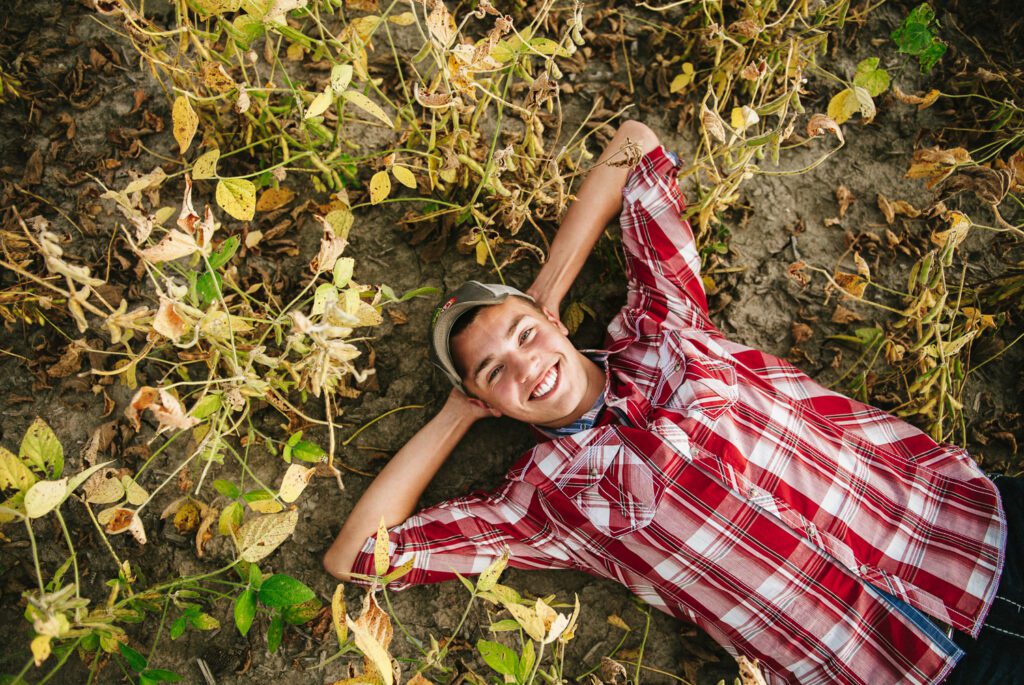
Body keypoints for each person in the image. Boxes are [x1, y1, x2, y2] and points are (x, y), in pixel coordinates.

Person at [323, 121, 1020, 683]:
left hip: (969, 528)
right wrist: (456, 414)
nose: (527, 364)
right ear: (490, 403)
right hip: (888, 667)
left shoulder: (665, 327)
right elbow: (356, 554)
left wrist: (545, 294)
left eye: (526, 336)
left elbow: (633, 145)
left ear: (555, 325)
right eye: (495, 371)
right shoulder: (542, 503)